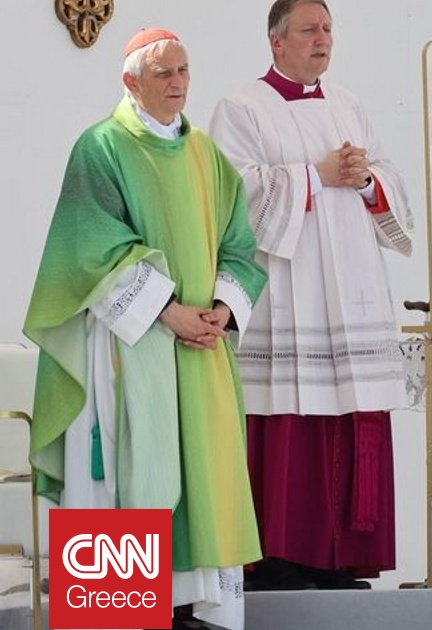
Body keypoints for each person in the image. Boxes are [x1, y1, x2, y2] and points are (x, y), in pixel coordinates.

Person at [23, 28, 266, 629]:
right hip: (126, 343)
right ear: (130, 81)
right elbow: (89, 248)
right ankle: (118, 612)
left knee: (203, 471)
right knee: (127, 469)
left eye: (184, 70)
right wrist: (167, 310)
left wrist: (221, 309)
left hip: (201, 346)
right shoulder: (101, 147)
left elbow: (239, 244)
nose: (178, 82)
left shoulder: (206, 154)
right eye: (163, 73)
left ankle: (193, 607)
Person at [209, 0, 414, 591]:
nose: (322, 38)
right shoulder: (241, 108)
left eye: (327, 29)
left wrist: (366, 179)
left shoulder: (348, 103)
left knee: (352, 417)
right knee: (288, 423)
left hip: (352, 288)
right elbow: (233, 196)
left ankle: (341, 560)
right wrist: (315, 175)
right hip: (288, 290)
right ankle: (279, 559)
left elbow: (389, 180)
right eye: (308, 30)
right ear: (277, 41)